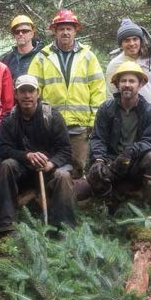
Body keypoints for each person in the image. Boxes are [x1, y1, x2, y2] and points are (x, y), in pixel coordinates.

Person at [27, 9, 105, 178]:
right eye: (61, 28)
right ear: (54, 31)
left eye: (69, 28)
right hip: (50, 125)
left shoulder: (88, 56)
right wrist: (37, 120)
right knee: (51, 167)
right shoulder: (42, 56)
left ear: (75, 30)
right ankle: (52, 202)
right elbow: (32, 91)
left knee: (77, 169)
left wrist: (95, 119)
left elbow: (98, 89)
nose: (65, 32)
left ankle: (76, 203)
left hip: (80, 125)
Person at [0, 75, 75, 235]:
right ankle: (6, 225)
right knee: (6, 166)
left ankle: (63, 230)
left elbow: (65, 150)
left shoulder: (52, 117)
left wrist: (51, 163)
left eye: (31, 91)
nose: (27, 96)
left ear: (37, 93)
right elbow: (3, 149)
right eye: (22, 91)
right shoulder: (9, 119)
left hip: (49, 169)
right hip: (23, 170)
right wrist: (27, 156)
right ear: (16, 94)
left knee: (64, 175)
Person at [87, 61, 151, 204]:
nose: (127, 84)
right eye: (123, 81)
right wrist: (98, 159)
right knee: (95, 171)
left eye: (132, 81)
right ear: (117, 84)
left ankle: (148, 208)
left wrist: (130, 152)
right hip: (112, 161)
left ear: (140, 84)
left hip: (136, 161)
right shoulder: (106, 109)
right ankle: (103, 208)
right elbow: (98, 138)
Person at [105, 18, 151, 109]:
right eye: (127, 40)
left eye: (135, 39)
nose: (132, 43)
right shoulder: (115, 64)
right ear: (121, 44)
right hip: (127, 116)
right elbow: (110, 95)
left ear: (141, 40)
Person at [0, 15, 44, 79]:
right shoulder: (6, 60)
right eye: (17, 32)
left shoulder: (42, 57)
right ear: (14, 35)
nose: (20, 34)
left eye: (24, 31)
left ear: (32, 33)